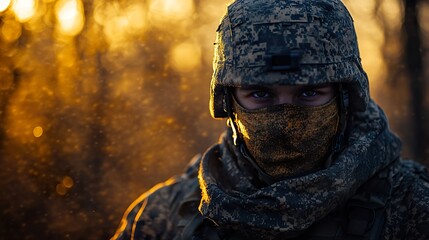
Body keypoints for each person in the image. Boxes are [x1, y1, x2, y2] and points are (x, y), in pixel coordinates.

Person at [111, 0, 429, 239]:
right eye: (260, 94)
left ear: (346, 97)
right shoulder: (162, 217)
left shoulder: (413, 207)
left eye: (308, 93)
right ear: (228, 102)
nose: (285, 121)